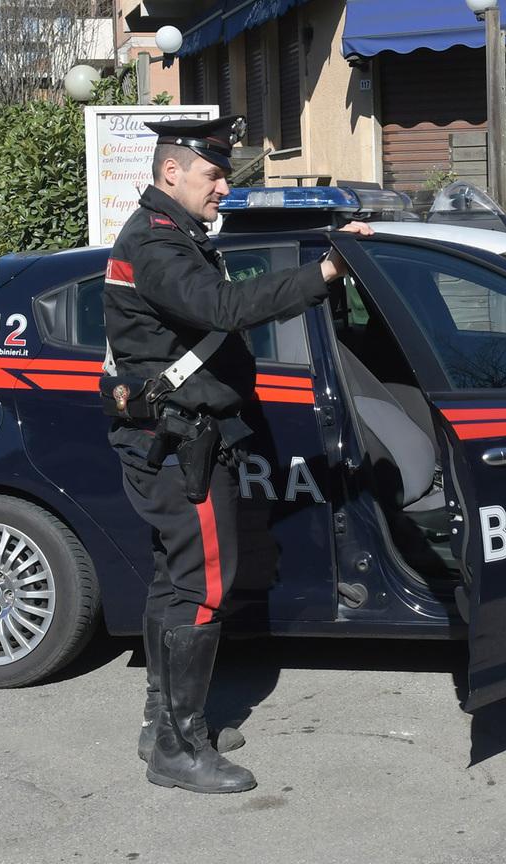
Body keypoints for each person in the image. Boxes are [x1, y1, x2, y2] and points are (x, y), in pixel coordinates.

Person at [102, 115, 371, 794]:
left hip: (174, 440)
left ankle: (160, 723)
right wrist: (326, 271)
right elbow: (224, 307)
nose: (224, 186)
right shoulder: (158, 245)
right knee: (203, 588)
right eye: (214, 174)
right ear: (173, 172)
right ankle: (179, 747)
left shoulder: (170, 236)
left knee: (174, 581)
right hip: (178, 445)